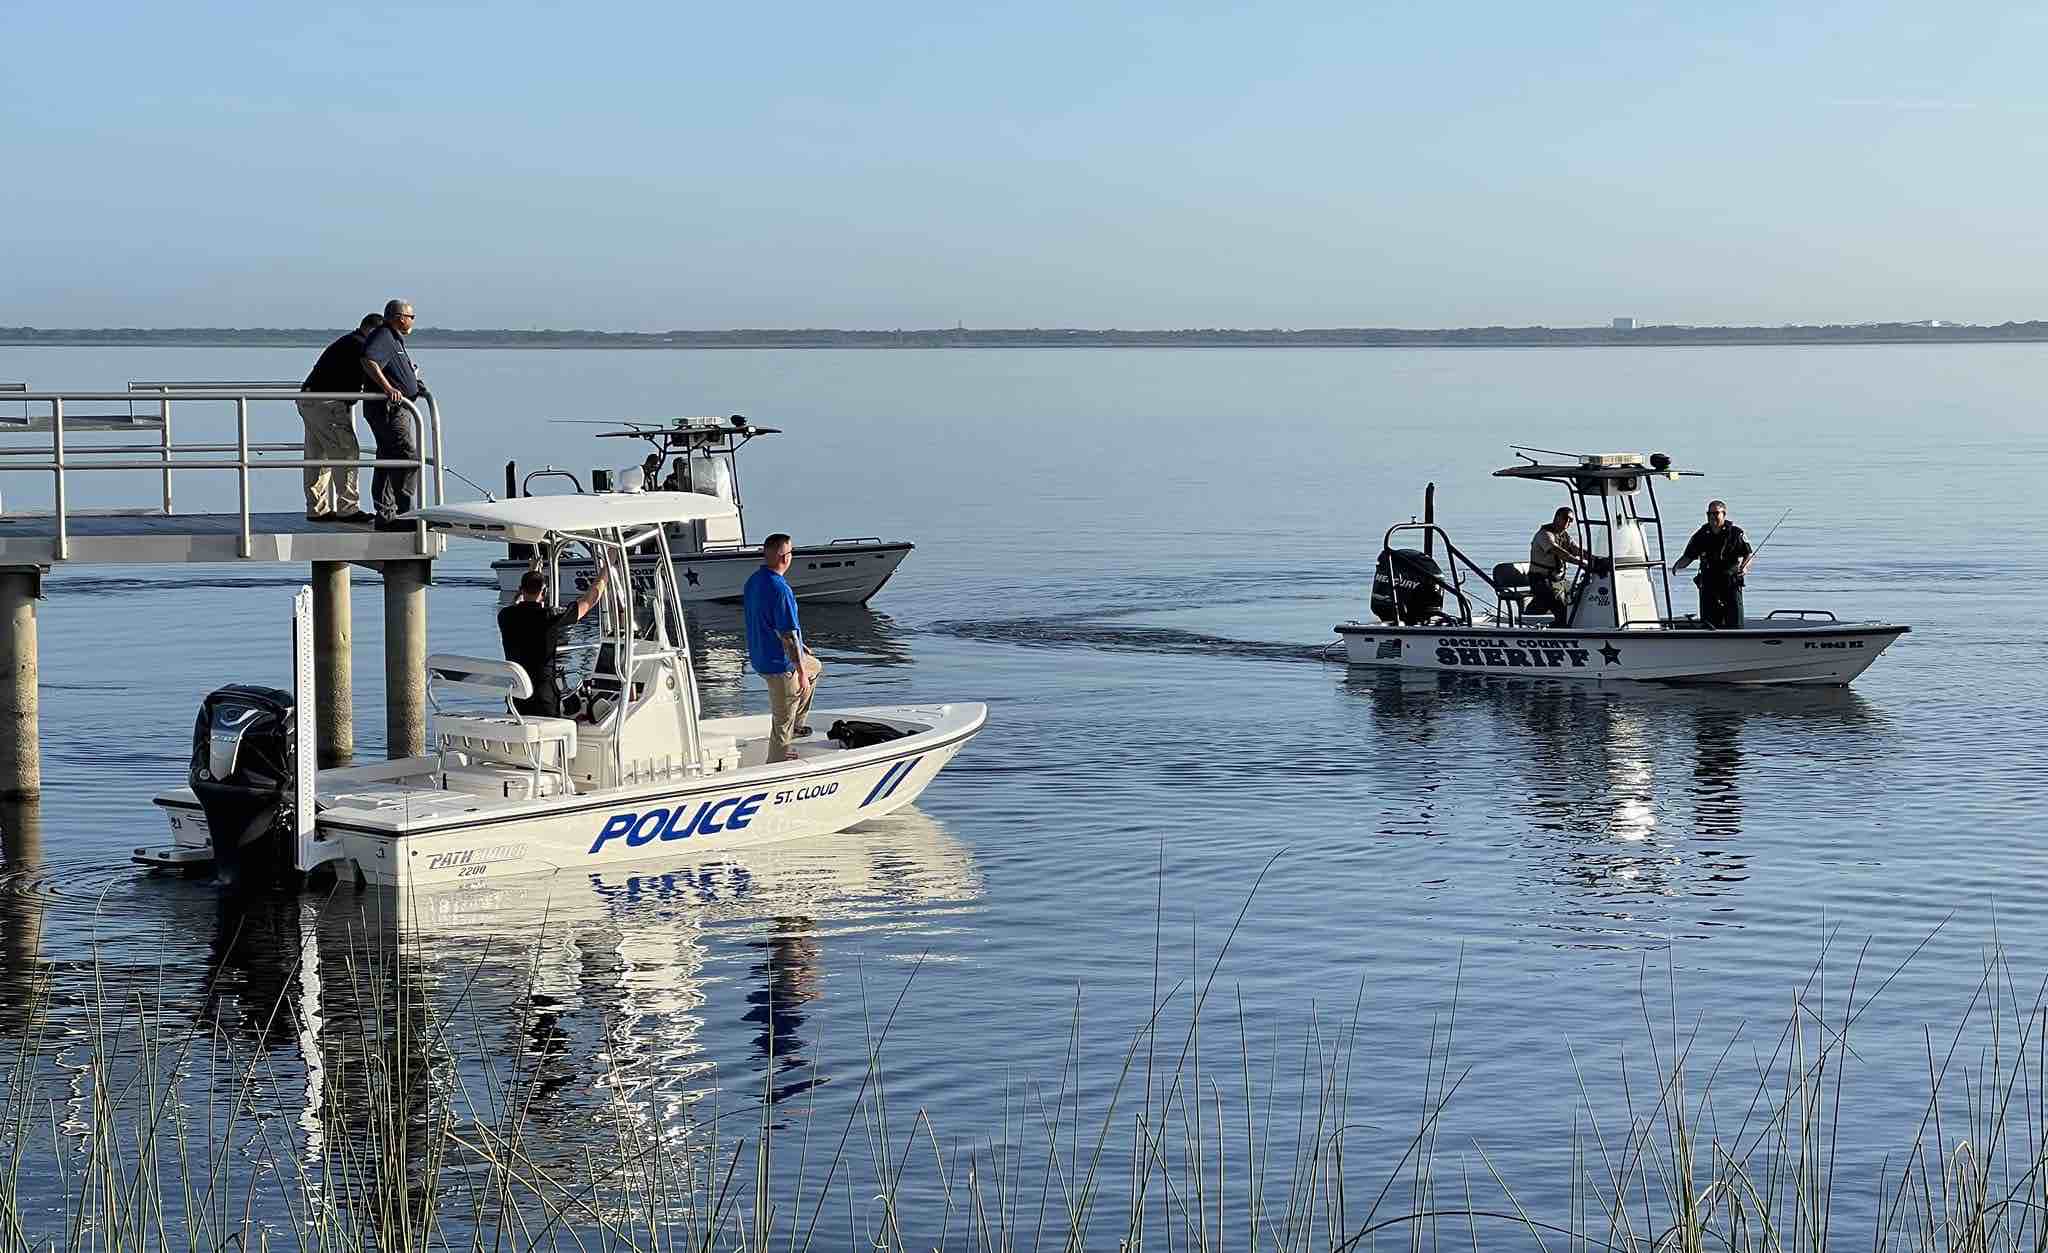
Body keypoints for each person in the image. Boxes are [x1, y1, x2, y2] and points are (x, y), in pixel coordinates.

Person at [743, 533, 823, 762]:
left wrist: (801, 647)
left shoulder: (754, 581)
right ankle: (776, 766)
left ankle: (798, 725)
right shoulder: (781, 590)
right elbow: (788, 636)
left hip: (759, 656)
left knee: (815, 667)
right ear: (784, 557)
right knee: (781, 725)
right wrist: (800, 674)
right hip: (780, 665)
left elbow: (767, 621)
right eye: (791, 552)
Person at [296, 314, 379, 523]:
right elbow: (373, 372)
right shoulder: (361, 345)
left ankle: (317, 508)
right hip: (328, 403)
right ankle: (348, 508)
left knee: (319, 455)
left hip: (309, 398)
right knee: (346, 451)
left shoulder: (348, 341)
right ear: (373, 331)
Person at [497, 563, 608, 717]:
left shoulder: (505, 616)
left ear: (521, 589)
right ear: (544, 591)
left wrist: (531, 575)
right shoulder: (549, 616)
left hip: (517, 698)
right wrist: (605, 571)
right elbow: (589, 602)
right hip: (544, 700)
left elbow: (515, 605)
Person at [360, 299, 425, 529]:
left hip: (397, 409)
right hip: (389, 410)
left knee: (388, 457)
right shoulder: (384, 335)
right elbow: (368, 360)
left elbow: (395, 369)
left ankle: (387, 514)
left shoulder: (395, 339)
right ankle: (405, 515)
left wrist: (415, 385)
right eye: (411, 316)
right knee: (406, 457)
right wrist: (388, 389)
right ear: (399, 317)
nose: (412, 320)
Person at [1672, 499, 1753, 629]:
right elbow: (1688, 556)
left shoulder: (1736, 533)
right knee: (1709, 623)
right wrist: (1676, 567)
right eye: (1709, 514)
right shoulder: (1701, 534)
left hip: (1730, 583)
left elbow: (1748, 554)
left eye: (1716, 513)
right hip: (1709, 583)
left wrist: (1744, 568)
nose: (1712, 517)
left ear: (1724, 514)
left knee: (1735, 621)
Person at [1526, 506, 1590, 626]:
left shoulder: (1563, 535)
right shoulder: (1544, 535)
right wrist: (1579, 563)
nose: (1568, 523)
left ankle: (1530, 615)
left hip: (1559, 580)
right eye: (1565, 519)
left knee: (1580, 596)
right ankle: (1558, 631)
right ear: (1557, 518)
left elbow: (1576, 549)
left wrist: (1595, 558)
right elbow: (1558, 551)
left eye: (1570, 520)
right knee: (1563, 611)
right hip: (1541, 580)